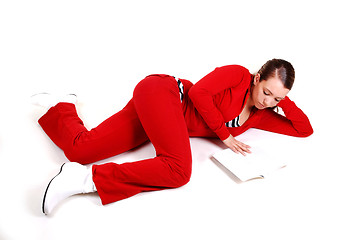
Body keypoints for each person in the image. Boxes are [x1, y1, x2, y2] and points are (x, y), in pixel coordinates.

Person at [32, 59, 313, 215]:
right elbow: (198, 93)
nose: (267, 102)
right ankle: (82, 179)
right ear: (256, 77)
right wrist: (225, 135)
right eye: (266, 92)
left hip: (161, 121)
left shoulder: (262, 114)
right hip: (163, 93)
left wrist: (282, 99)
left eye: (275, 98)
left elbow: (303, 129)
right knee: (179, 169)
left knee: (79, 150)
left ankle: (62, 106)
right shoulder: (238, 75)